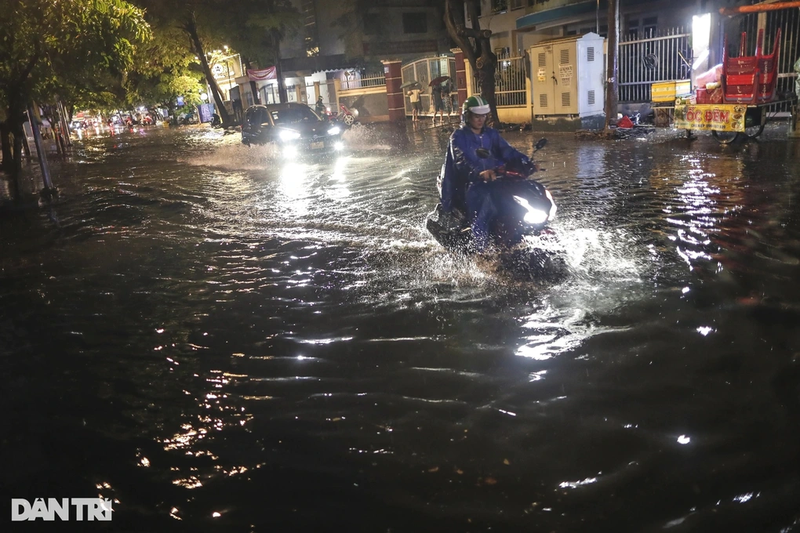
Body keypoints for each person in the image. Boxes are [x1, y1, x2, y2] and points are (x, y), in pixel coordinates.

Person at [437, 95, 534, 252]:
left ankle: (514, 241)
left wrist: (526, 162)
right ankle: (480, 251)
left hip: (496, 181)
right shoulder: (458, 136)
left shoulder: (491, 134)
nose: (480, 119)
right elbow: (461, 160)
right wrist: (479, 173)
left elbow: (507, 151)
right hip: (472, 185)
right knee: (484, 210)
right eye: (477, 116)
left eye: (483, 115)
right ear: (467, 116)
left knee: (514, 204)